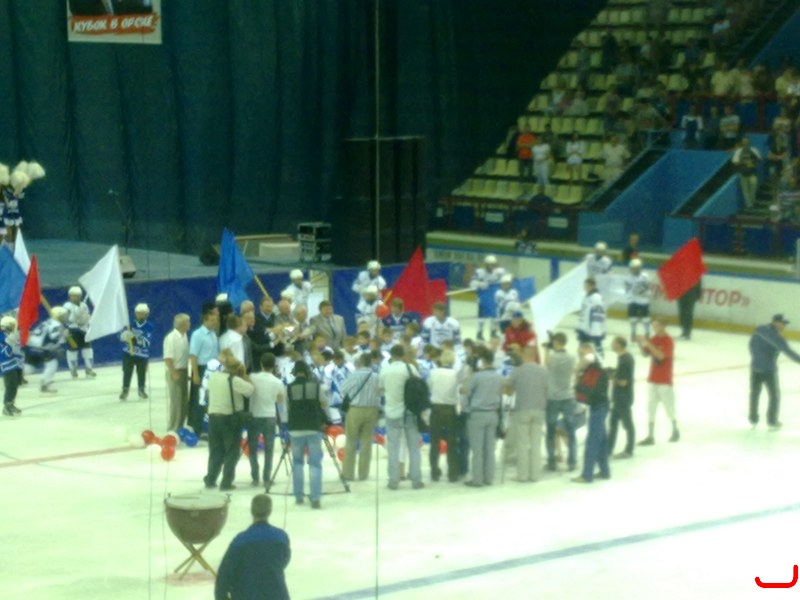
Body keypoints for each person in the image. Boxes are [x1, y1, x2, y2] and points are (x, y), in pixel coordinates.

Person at [215, 494, 290, 600]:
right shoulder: (281, 537)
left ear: (251, 511)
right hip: (276, 594)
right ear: (270, 511)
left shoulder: (240, 541)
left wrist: (221, 596)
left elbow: (225, 574)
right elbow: (284, 561)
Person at [204, 353, 253, 491]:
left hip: (213, 418)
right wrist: (244, 376)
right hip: (229, 420)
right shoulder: (235, 380)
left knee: (215, 450)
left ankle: (211, 478)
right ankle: (226, 482)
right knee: (231, 452)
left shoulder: (214, 377)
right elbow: (250, 390)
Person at [379, 344, 424, 490]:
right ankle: (416, 480)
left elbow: (380, 389)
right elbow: (420, 386)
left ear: (391, 355)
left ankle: (393, 480)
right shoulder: (410, 368)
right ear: (403, 355)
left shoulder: (385, 370)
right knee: (414, 448)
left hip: (392, 412)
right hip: (409, 412)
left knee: (393, 447)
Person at [286, 360, 327, 507]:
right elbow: (324, 403)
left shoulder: (289, 388)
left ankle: (298, 496)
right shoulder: (316, 387)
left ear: (294, 373)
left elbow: (286, 408)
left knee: (297, 462)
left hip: (295, 428)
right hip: (313, 427)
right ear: (308, 372)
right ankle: (315, 498)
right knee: (315, 463)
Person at [748, 314, 800, 430]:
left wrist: (756, 358)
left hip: (755, 368)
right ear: (776, 322)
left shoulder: (759, 330)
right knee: (774, 396)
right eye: (783, 323)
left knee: (755, 394)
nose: (784, 326)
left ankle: (753, 418)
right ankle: (772, 421)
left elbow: (751, 345)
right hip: (769, 370)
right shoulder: (777, 338)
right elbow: (789, 352)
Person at [505, 346, 548, 483]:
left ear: (524, 355)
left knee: (522, 444)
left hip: (522, 409)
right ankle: (535, 475)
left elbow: (509, 389)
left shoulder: (517, 371)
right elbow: (547, 389)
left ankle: (522, 475)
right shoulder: (544, 371)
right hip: (539, 409)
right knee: (536, 444)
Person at [572, 342, 610, 483]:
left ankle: (587, 475)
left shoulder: (593, 363)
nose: (580, 357)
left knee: (592, 441)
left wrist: (577, 371)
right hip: (599, 405)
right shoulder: (594, 367)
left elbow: (588, 358)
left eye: (581, 354)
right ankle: (604, 471)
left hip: (598, 407)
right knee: (601, 441)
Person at [637, 318, 680, 445]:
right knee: (651, 407)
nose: (653, 328)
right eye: (653, 325)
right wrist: (641, 343)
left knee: (669, 406)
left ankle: (675, 429)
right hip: (653, 378)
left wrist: (648, 343)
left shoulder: (668, 340)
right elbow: (645, 354)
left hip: (664, 379)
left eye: (656, 325)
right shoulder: (653, 339)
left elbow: (660, 356)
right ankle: (650, 435)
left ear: (662, 326)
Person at [464, 350, 503, 487]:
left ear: (483, 361)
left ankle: (477, 479)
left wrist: (466, 409)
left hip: (478, 414)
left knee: (477, 449)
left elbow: (466, 392)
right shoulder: (499, 377)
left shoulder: (477, 376)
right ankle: (489, 477)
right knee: (489, 449)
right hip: (493, 413)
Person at [339, 354, 381, 481]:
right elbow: (381, 392)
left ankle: (348, 474)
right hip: (372, 410)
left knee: (351, 441)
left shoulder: (354, 375)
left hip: (355, 409)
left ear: (360, 362)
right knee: (366, 442)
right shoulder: (376, 377)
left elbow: (342, 389)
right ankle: (363, 474)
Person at [248, 353, 285, 487]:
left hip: (254, 415)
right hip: (269, 416)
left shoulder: (252, 377)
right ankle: (267, 478)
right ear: (274, 366)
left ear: (261, 364)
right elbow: (280, 400)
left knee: (252, 448)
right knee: (269, 449)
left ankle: (255, 476)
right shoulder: (278, 382)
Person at [544, 332, 577, 471]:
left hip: (553, 397)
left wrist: (546, 349)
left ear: (556, 342)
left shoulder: (552, 357)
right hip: (568, 396)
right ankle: (572, 461)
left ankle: (552, 461)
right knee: (571, 431)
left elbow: (546, 365)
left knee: (550, 431)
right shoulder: (572, 357)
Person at [427, 349, 460, 482]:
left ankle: (434, 472)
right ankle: (452, 473)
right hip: (450, 409)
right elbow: (458, 392)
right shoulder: (455, 374)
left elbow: (429, 388)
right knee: (452, 443)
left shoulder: (433, 372)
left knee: (434, 442)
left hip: (436, 408)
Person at [188, 303, 220, 433]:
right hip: (201, 369)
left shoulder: (213, 334)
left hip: (213, 369)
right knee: (199, 399)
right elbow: (193, 355)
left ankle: (207, 425)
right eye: (212, 320)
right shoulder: (198, 334)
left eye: (215, 320)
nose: (215, 322)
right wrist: (196, 374)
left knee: (210, 398)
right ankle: (197, 427)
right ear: (205, 320)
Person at [24, 307, 68, 394]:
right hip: (42, 347)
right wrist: (60, 343)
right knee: (52, 363)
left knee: (30, 367)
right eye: (63, 315)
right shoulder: (57, 325)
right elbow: (53, 339)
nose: (65, 317)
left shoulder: (47, 321)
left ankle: (15, 376)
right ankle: (45, 384)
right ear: (58, 316)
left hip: (31, 345)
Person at [607, 336, 635, 459]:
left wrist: (611, 377)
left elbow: (623, 382)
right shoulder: (624, 358)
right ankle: (608, 448)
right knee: (613, 422)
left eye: (613, 343)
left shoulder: (625, 360)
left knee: (627, 424)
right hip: (620, 397)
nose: (612, 345)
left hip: (623, 397)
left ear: (619, 344)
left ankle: (629, 450)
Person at [119, 303, 153, 400]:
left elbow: (147, 341)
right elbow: (121, 336)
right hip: (128, 353)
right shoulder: (129, 324)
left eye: (142, 313)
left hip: (142, 355)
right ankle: (125, 390)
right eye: (138, 313)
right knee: (127, 372)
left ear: (146, 314)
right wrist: (124, 336)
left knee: (141, 373)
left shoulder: (149, 326)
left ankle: (141, 389)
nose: (140, 315)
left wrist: (135, 338)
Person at [163, 313, 190, 432]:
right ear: (182, 324)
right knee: (176, 401)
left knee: (183, 401)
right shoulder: (171, 338)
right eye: (188, 322)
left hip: (183, 370)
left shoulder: (185, 336)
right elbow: (168, 358)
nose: (189, 324)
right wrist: (174, 372)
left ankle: (180, 426)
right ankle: (173, 427)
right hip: (175, 371)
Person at [469, 255, 506, 340]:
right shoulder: (479, 272)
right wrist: (480, 284)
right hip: (484, 298)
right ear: (486, 264)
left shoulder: (500, 272)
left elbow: (508, 279)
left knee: (495, 315)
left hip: (495, 297)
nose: (492, 266)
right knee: (482, 316)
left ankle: (493, 332)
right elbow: (471, 284)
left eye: (493, 264)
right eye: (490, 264)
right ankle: (479, 333)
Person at [63, 286, 96, 378]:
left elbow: (87, 317)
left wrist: (85, 319)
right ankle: (73, 370)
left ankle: (89, 369)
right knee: (72, 350)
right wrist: (75, 316)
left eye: (77, 295)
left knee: (88, 349)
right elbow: (66, 319)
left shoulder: (84, 306)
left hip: (84, 330)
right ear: (70, 296)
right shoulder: (67, 306)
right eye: (73, 295)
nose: (76, 297)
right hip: (72, 331)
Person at [576, 277, 606, 358]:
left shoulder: (597, 297)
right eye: (585, 285)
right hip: (584, 326)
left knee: (597, 345)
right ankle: (583, 361)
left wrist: (596, 329)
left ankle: (600, 360)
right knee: (582, 346)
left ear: (592, 286)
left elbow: (598, 314)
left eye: (586, 285)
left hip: (593, 327)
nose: (585, 287)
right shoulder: (586, 296)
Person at [625, 258, 651, 341]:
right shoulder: (628, 277)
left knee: (645, 318)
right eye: (632, 268)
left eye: (635, 268)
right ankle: (633, 332)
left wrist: (641, 291)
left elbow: (647, 286)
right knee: (633, 318)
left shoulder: (645, 276)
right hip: (632, 299)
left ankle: (647, 332)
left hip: (643, 299)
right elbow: (627, 289)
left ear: (639, 268)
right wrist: (633, 292)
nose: (634, 270)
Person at [732, 137, 762, 209]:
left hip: (752, 173)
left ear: (749, 142)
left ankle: (752, 202)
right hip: (743, 173)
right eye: (744, 141)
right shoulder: (738, 151)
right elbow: (735, 162)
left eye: (746, 141)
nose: (745, 142)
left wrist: (753, 164)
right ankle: (749, 205)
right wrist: (745, 163)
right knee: (745, 190)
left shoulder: (753, 150)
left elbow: (759, 159)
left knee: (753, 187)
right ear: (742, 142)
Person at [1, 316, 22, 416]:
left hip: (13, 363)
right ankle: (7, 406)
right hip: (5, 364)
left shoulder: (9, 335)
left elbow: (16, 350)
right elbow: (5, 353)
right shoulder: (2, 336)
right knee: (10, 385)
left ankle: (11, 403)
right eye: (12, 326)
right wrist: (10, 342)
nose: (14, 328)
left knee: (15, 384)